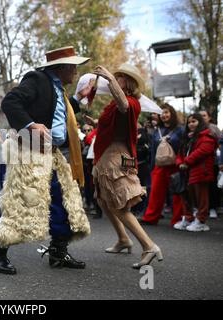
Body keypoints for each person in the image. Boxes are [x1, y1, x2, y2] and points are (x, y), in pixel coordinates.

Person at [0, 46, 92, 275]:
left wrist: (79, 98)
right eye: (73, 67)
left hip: (51, 154)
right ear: (62, 67)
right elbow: (10, 102)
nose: (75, 72)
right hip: (29, 152)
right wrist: (30, 124)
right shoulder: (38, 79)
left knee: (63, 200)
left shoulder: (58, 89)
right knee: (18, 201)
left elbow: (57, 112)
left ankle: (58, 251)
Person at [91, 64, 162, 269]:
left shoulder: (131, 102)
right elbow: (114, 121)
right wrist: (96, 122)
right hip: (106, 156)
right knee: (103, 200)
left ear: (127, 83)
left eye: (119, 77)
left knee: (119, 205)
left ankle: (149, 246)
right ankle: (123, 239)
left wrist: (109, 77)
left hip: (115, 157)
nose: (115, 79)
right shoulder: (115, 104)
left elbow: (124, 105)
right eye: (116, 77)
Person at [140, 104, 184, 226]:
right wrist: (153, 166)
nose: (164, 115)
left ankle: (178, 219)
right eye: (161, 113)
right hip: (159, 166)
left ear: (172, 113)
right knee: (155, 192)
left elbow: (183, 147)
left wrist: (182, 162)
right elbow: (153, 150)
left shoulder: (180, 129)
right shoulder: (156, 131)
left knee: (176, 192)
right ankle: (150, 218)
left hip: (175, 165)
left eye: (166, 112)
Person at [174, 113, 218, 232]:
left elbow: (202, 151)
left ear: (200, 123)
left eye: (194, 121)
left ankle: (201, 221)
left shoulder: (207, 135)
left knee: (201, 199)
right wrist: (180, 163)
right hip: (187, 172)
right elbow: (179, 154)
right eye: (189, 122)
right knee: (187, 197)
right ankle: (189, 218)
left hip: (201, 171)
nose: (191, 124)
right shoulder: (187, 137)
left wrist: (186, 162)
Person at [199, 110, 222, 219]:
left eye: (204, 115)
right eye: (200, 116)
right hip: (199, 164)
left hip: (213, 162)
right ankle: (203, 209)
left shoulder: (213, 128)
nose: (202, 117)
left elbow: (220, 142)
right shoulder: (195, 129)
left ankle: (213, 208)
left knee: (212, 186)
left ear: (209, 117)